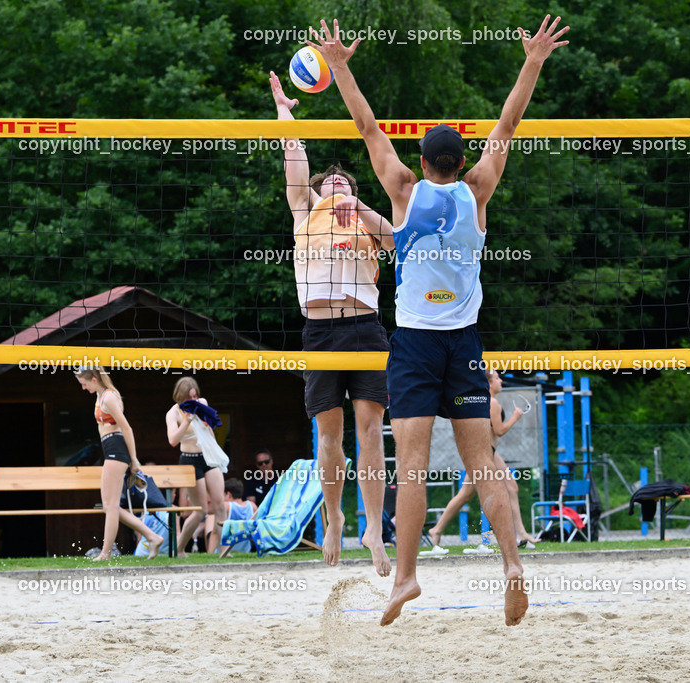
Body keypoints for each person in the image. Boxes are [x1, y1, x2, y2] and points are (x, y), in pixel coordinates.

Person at [310, 14, 569, 626]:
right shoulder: (478, 190)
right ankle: (511, 565)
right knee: (484, 468)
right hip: (464, 342)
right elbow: (508, 124)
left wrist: (341, 65)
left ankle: (405, 578)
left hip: (417, 346)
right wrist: (531, 59)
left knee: (415, 468)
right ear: (460, 161)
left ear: (423, 161)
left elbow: (367, 126)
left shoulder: (402, 189)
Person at [269, 69, 393, 577]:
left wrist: (359, 205)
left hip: (365, 329)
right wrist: (284, 114)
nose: (338, 184)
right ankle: (335, 515)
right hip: (320, 333)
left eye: (346, 181)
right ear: (319, 192)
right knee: (329, 438)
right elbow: (294, 159)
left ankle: (372, 526)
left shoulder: (366, 220)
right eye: (331, 182)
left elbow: (396, 242)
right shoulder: (306, 213)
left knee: (370, 433)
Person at [427, 369, 539, 548]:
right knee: (470, 494)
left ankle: (522, 534)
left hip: (489, 452)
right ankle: (438, 530)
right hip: (485, 453)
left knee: (509, 487)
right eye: (497, 378)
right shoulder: (492, 403)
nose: (500, 381)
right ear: (489, 383)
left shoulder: (485, 401)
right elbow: (499, 431)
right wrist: (515, 417)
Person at [74, 367, 163, 561]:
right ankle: (152, 536)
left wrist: (134, 459)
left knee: (111, 505)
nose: (83, 387)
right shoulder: (100, 396)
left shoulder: (109, 397)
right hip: (110, 448)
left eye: (84, 383)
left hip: (116, 448)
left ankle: (106, 553)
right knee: (109, 506)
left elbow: (126, 428)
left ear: (95, 380)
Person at [165, 377, 226, 554]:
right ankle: (180, 547)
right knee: (200, 511)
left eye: (195, 396)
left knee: (220, 504)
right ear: (180, 397)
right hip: (189, 460)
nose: (193, 400)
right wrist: (187, 421)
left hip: (208, 457)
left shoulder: (202, 403)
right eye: (189, 397)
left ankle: (223, 550)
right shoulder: (173, 413)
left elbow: (209, 430)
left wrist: (217, 453)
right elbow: (173, 440)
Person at [206, 477, 257, 554]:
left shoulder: (226, 506)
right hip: (244, 551)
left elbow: (215, 533)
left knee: (210, 518)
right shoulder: (252, 506)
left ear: (229, 495)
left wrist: (210, 554)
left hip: (225, 550)